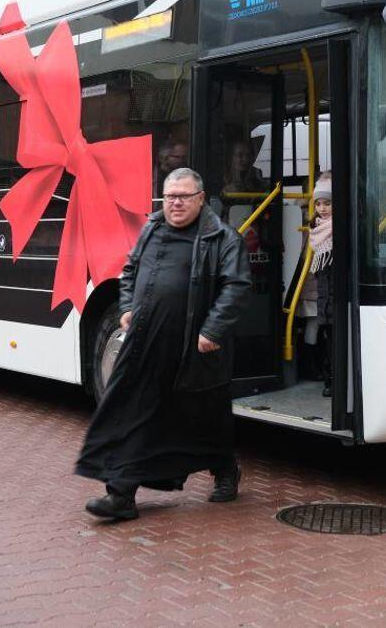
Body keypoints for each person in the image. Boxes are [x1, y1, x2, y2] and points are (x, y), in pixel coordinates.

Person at [77, 167, 252, 521]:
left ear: (200, 199)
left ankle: (225, 470)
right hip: (145, 341)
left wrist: (212, 330)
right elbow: (129, 271)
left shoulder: (222, 237)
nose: (175, 203)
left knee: (205, 416)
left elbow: (236, 286)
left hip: (195, 346)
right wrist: (127, 307)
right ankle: (120, 494)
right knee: (132, 411)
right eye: (170, 196)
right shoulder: (152, 228)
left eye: (183, 196)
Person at [299, 175, 335, 397]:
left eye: (327, 203)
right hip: (322, 294)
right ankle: (327, 376)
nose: (322, 208)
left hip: (331, 294)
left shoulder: (338, 228)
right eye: (318, 203)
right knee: (325, 334)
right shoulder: (316, 228)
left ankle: (333, 378)